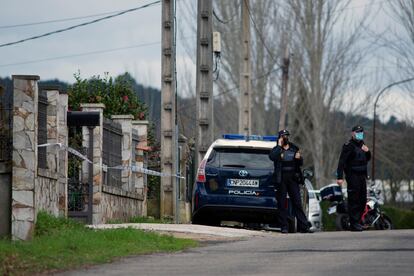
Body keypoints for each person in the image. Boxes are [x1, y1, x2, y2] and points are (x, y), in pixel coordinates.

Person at [269, 129, 312, 234]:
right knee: (282, 204)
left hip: (293, 178)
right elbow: (272, 157)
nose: (285, 138)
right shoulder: (276, 149)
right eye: (283, 136)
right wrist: (279, 146)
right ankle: (284, 227)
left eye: (287, 136)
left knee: (297, 202)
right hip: (281, 179)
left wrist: (299, 158)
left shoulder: (294, 147)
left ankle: (304, 226)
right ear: (279, 137)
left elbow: (300, 163)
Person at [336, 125, 371, 231]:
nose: (360, 133)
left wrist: (368, 151)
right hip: (352, 176)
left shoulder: (362, 144)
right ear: (353, 133)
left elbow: (367, 158)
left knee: (362, 200)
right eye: (357, 132)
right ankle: (354, 223)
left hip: (362, 176)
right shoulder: (349, 146)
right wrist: (340, 177)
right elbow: (341, 162)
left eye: (361, 132)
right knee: (354, 200)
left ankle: (358, 221)